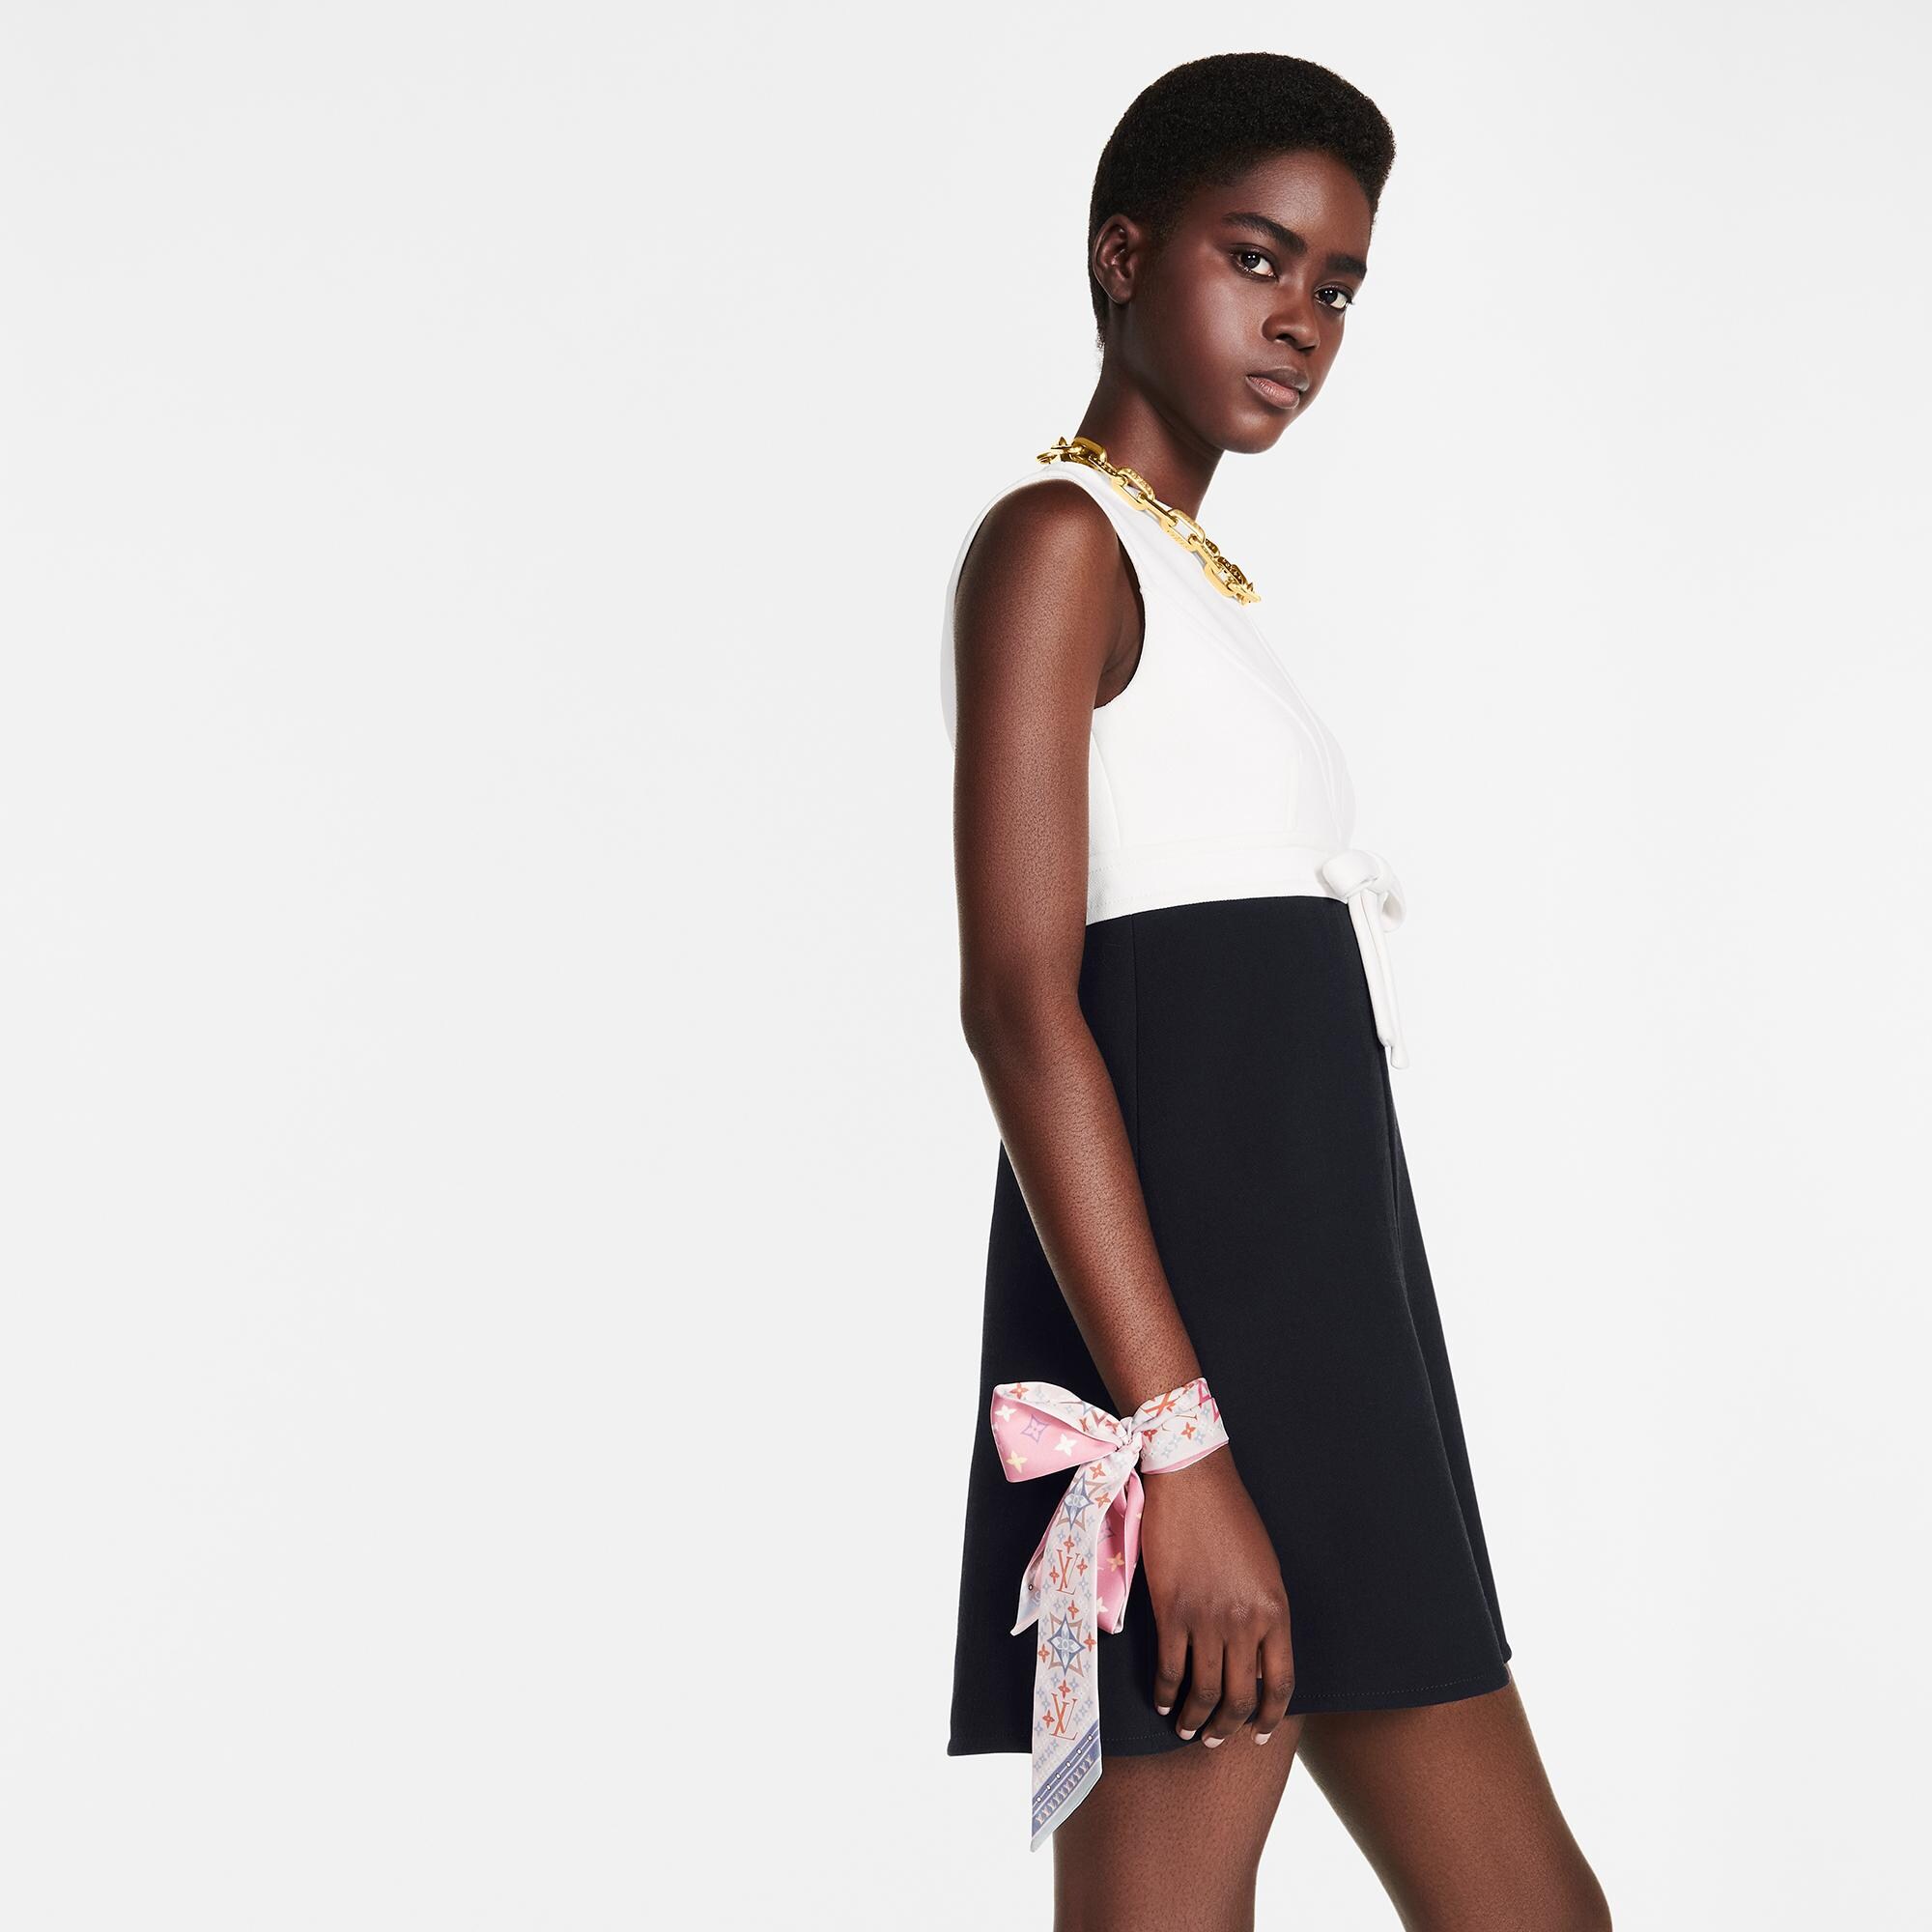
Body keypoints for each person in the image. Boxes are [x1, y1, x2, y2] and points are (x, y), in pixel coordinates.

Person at [939, 52, 1611, 1931]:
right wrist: (1180, 1448)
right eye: (1256, 258)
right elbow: (1019, 1004)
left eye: (1336, 285)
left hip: (1338, 1348)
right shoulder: (1054, 545)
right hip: (1189, 1382)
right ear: (1122, 254)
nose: (1300, 319)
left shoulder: (1190, 579)